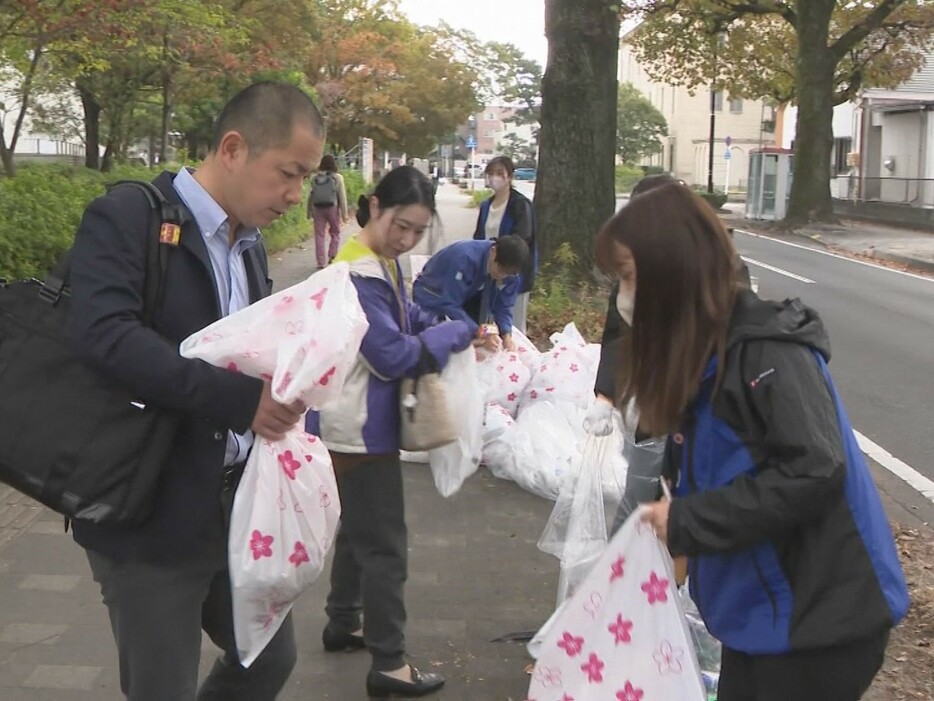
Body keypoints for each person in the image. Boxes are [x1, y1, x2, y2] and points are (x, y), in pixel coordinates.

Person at [595, 181, 909, 701]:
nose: (623, 296)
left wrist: (689, 522)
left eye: (628, 277)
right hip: (761, 618)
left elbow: (815, 468)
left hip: (817, 622)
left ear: (674, 269)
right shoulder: (705, 359)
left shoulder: (765, 352)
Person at [67, 82, 325, 700]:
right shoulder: (128, 216)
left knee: (267, 657)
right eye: (288, 174)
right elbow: (105, 338)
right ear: (233, 148)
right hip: (147, 509)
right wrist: (242, 402)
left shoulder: (250, 247)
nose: (297, 196)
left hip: (232, 506)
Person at [307, 166, 473, 698]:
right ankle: (390, 663)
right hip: (357, 427)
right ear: (374, 206)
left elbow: (405, 314)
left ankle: (344, 622)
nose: (406, 239)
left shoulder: (377, 263)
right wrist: (451, 333)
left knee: (360, 532)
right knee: (386, 546)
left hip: (350, 423)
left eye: (417, 232)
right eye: (400, 225)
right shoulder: (358, 274)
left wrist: (444, 323)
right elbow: (391, 354)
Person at [584, 174, 753, 531]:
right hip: (653, 406)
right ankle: (624, 574)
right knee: (642, 496)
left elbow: (803, 474)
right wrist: (607, 395)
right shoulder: (639, 275)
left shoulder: (756, 346)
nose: (625, 289)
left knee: (657, 505)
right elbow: (619, 335)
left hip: (683, 415)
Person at [412, 236, 528, 354]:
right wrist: (480, 332)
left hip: (467, 296)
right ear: (493, 252)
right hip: (433, 295)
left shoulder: (512, 274)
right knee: (437, 345)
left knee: (481, 340)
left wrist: (506, 335)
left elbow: (504, 306)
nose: (502, 276)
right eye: (500, 270)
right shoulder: (464, 258)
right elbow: (450, 303)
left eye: (508, 274)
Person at [472, 156, 536, 333]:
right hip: (490, 268)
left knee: (512, 321)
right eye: (491, 173)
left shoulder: (520, 205)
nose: (494, 178)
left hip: (512, 268)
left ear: (510, 177)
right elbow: (478, 236)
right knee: (488, 319)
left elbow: (523, 237)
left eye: (500, 173)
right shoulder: (486, 205)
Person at [307, 153, 349, 267]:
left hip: (318, 209)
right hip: (332, 209)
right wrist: (345, 214)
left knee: (319, 235)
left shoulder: (314, 178)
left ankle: (320, 262)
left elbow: (311, 195)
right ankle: (332, 255)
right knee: (335, 233)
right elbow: (342, 197)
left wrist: (308, 212)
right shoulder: (337, 177)